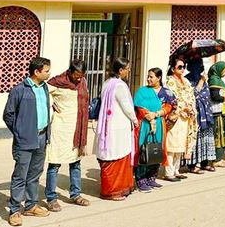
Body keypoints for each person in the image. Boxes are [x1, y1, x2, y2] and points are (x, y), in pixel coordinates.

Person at [4, 57, 52, 226]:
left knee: (35, 174)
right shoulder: (19, 89)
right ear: (36, 72)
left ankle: (31, 205)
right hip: (25, 139)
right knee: (20, 175)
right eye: (46, 70)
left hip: (42, 136)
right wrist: (20, 132)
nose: (49, 73)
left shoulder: (44, 87)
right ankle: (15, 209)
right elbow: (8, 114)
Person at [44, 60, 91, 212]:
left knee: (75, 163)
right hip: (61, 129)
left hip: (77, 130)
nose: (79, 79)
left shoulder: (82, 82)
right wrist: (50, 102)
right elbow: (41, 90)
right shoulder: (58, 82)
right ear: (69, 72)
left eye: (81, 76)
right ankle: (51, 198)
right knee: (55, 164)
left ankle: (75, 194)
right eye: (76, 76)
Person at [94, 58, 137, 201]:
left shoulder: (107, 83)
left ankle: (117, 188)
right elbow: (127, 108)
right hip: (118, 128)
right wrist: (135, 120)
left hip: (108, 126)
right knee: (116, 158)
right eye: (128, 68)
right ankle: (113, 191)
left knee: (110, 156)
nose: (129, 70)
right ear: (121, 70)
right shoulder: (120, 86)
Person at [132, 68, 170, 191]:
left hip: (159, 124)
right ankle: (141, 179)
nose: (148, 79)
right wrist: (149, 116)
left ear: (159, 78)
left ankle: (152, 178)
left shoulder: (166, 92)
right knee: (144, 149)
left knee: (156, 150)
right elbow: (139, 106)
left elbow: (170, 106)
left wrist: (157, 114)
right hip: (145, 124)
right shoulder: (142, 91)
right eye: (148, 76)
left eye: (151, 77)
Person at [164, 57, 197, 176]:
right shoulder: (169, 81)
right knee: (172, 143)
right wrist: (183, 107)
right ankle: (168, 172)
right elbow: (172, 98)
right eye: (180, 67)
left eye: (184, 67)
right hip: (176, 116)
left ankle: (176, 170)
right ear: (173, 68)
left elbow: (191, 96)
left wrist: (192, 108)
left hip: (187, 116)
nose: (182, 69)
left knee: (181, 143)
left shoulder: (186, 81)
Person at [184, 58, 216, 173]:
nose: (201, 68)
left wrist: (203, 80)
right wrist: (202, 81)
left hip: (206, 113)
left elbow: (206, 93)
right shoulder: (187, 79)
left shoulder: (203, 78)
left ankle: (204, 163)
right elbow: (193, 95)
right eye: (198, 65)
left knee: (206, 138)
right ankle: (192, 165)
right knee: (195, 139)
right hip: (195, 114)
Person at [208, 62, 225, 167]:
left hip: (223, 111)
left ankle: (219, 158)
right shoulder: (214, 80)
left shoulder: (219, 80)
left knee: (224, 134)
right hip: (217, 113)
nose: (224, 73)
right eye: (224, 71)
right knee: (219, 135)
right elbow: (215, 96)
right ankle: (216, 159)